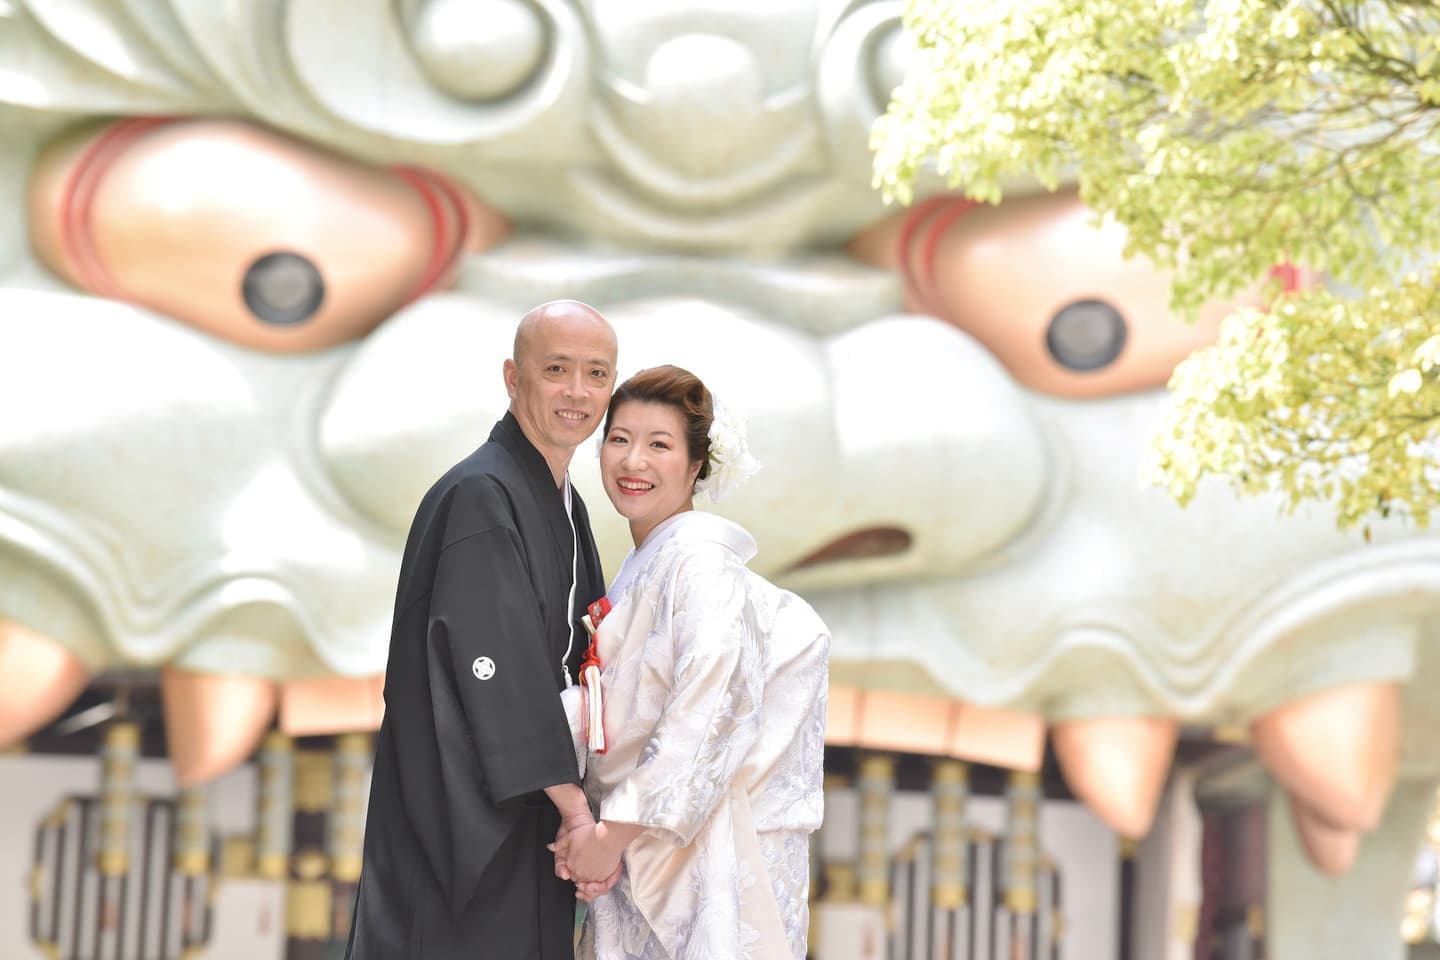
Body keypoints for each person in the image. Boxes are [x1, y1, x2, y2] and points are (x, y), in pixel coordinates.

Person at [346, 300, 618, 959]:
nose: (577, 392)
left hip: (532, 813)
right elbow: (502, 670)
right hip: (465, 817)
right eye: (557, 369)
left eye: (597, 373)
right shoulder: (481, 494)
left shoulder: (565, 505)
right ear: (512, 376)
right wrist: (576, 812)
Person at [552, 365, 830, 959]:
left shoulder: (700, 564)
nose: (633, 462)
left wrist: (609, 833)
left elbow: (711, 706)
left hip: (691, 851)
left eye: (660, 445)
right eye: (620, 439)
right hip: (644, 845)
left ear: (697, 465)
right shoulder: (649, 565)